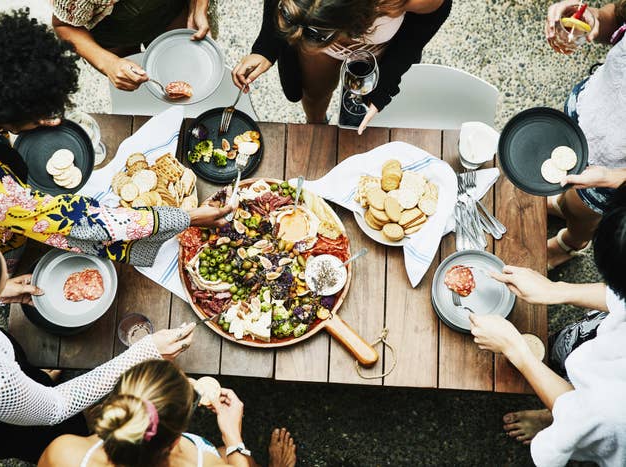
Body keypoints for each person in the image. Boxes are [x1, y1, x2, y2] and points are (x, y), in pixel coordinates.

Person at [0, 10, 231, 272]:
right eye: (39, 118)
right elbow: (77, 222)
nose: (51, 121)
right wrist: (184, 217)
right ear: (3, 120)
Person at [0, 230, 197, 463]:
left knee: (30, 372)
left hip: (1, 371)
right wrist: (145, 352)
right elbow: (55, 407)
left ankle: (37, 380)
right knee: (60, 435)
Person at [468, 187, 626, 466]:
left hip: (597, 421)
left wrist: (516, 350)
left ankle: (550, 415)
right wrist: (556, 290)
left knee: (570, 411)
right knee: (563, 350)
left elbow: (585, 415)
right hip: (602, 355)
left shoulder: (613, 409)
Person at [232, 0, 451, 134]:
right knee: (314, 94)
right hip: (328, 47)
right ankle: (317, 125)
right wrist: (266, 47)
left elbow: (421, 30)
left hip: (376, 44)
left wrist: (385, 84)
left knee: (360, 94)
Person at [38, 360, 298, 467]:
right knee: (224, 452)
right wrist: (233, 437)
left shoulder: (64, 451)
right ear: (176, 439)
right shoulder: (206, 464)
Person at [544, 0, 626, 268]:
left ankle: (570, 243)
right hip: (591, 108)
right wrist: (591, 19)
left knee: (584, 210)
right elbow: (616, 18)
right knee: (571, 192)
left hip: (615, 165)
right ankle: (563, 205)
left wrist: (615, 178)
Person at [52, 0, 213, 91]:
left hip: (171, 12)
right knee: (136, 86)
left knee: (180, 68)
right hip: (115, 33)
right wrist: (109, 63)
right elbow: (64, 25)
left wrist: (198, 9)